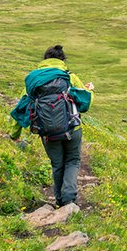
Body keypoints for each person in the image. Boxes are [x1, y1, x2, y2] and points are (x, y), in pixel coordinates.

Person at [9, 45, 94, 207]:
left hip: (47, 131)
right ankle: (69, 198)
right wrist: (91, 90)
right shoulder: (69, 77)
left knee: (57, 164)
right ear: (62, 60)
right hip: (72, 128)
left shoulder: (33, 81)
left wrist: (14, 134)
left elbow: (21, 107)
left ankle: (59, 200)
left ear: (45, 60)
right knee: (73, 161)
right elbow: (86, 101)